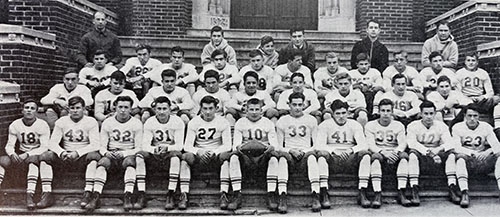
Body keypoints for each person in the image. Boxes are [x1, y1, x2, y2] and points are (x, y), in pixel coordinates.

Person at [39, 96, 101, 210]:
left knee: (94, 156)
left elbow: (96, 144)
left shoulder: (91, 121)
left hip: (83, 157)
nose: (75, 110)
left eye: (78, 108)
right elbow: (52, 143)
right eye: (72, 108)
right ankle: (46, 193)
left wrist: (78, 152)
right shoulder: (61, 121)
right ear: (68, 109)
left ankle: (88, 192)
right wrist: (62, 152)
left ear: (84, 109)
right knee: (45, 156)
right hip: (66, 157)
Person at [86, 96, 143, 212]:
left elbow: (139, 147)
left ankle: (128, 195)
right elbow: (101, 145)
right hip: (111, 153)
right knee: (102, 163)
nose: (123, 110)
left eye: (126, 107)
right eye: (120, 107)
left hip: (127, 153)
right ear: (115, 108)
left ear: (131, 109)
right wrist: (106, 153)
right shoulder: (108, 122)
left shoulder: (136, 123)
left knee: (130, 163)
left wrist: (124, 153)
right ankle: (96, 196)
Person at [315, 100, 371, 208]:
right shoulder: (325, 125)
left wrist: (351, 150)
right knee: (322, 155)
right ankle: (324, 191)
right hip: (333, 158)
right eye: (338, 113)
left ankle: (362, 191)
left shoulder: (355, 124)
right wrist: (332, 150)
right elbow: (318, 145)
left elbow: (364, 144)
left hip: (350, 157)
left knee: (365, 154)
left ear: (348, 113)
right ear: (332, 114)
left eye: (344, 113)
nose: (341, 116)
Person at [275, 92, 325, 212]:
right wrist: (291, 150)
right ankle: (282, 196)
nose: (297, 108)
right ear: (289, 105)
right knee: (282, 158)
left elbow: (316, 144)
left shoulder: (311, 120)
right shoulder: (282, 120)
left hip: (306, 153)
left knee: (312, 157)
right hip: (290, 154)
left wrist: (305, 151)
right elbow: (278, 145)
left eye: (300, 105)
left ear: (304, 105)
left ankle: (315, 194)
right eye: (294, 105)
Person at [180, 96, 233, 210]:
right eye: (205, 108)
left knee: (226, 157)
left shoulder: (223, 122)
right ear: (201, 108)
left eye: (210, 108)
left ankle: (223, 193)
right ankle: (184, 194)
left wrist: (214, 152)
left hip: (216, 156)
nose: (208, 112)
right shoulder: (194, 122)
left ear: (216, 108)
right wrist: (199, 151)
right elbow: (187, 145)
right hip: (199, 156)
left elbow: (228, 145)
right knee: (185, 157)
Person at [229, 98, 280, 212]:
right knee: (233, 157)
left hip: (263, 156)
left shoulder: (267, 122)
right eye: (251, 109)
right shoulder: (240, 122)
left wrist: (264, 148)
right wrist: (248, 147)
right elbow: (236, 145)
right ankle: (237, 193)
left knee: (274, 158)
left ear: (262, 110)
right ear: (246, 110)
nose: (254, 112)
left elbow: (274, 144)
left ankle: (271, 193)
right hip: (246, 156)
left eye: (257, 109)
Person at [136, 96, 185, 210]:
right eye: (159, 109)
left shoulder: (177, 121)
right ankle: (141, 193)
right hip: (155, 154)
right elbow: (145, 144)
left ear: (170, 109)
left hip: (169, 153)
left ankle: (171, 193)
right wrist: (155, 149)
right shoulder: (150, 121)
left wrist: (167, 148)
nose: (162, 112)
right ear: (155, 109)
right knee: (139, 156)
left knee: (176, 157)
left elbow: (180, 145)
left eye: (164, 109)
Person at [0, 99, 50, 210]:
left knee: (33, 162)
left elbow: (44, 147)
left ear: (36, 111)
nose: (29, 110)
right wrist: (12, 153)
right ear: (22, 110)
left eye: (32, 108)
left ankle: (30, 196)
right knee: (3, 161)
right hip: (21, 153)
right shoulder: (15, 124)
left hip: (37, 153)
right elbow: (9, 145)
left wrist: (28, 154)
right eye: (26, 108)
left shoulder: (42, 124)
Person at [407, 101, 458, 207]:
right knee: (412, 154)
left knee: (452, 154)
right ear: (420, 114)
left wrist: (439, 149)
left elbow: (450, 142)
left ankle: (452, 186)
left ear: (435, 114)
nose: (429, 117)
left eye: (431, 113)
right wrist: (430, 153)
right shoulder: (413, 125)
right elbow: (412, 143)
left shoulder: (441, 125)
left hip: (437, 154)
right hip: (422, 155)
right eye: (426, 113)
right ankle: (414, 188)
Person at [452, 104, 500, 208]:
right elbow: (456, 146)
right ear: (464, 116)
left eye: (475, 116)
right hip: (468, 160)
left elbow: (497, 145)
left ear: (479, 116)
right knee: (459, 158)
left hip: (483, 161)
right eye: (469, 116)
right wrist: (471, 153)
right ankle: (464, 192)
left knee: (499, 157)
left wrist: (489, 151)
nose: (472, 119)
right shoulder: (457, 127)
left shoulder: (486, 127)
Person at [365, 99, 409, 208]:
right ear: (378, 111)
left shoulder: (398, 125)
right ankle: (377, 193)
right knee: (375, 158)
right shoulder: (370, 125)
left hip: (393, 151)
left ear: (392, 111)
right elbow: (370, 144)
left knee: (404, 157)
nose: (385, 113)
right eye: (383, 110)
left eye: (388, 110)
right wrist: (383, 152)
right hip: (379, 151)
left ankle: (401, 191)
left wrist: (395, 152)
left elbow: (403, 143)